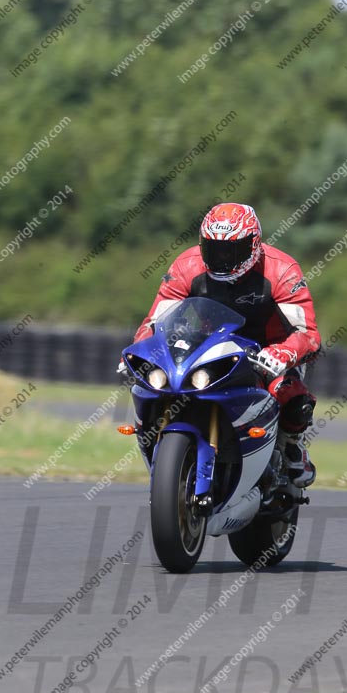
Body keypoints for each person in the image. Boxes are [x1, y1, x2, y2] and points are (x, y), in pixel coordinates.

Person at [134, 203, 321, 487]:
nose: (222, 259)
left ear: (254, 245)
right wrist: (141, 350)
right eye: (214, 249)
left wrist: (282, 353)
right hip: (209, 346)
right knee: (155, 384)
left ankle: (291, 444)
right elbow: (155, 321)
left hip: (268, 351)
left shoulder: (283, 270)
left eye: (232, 250)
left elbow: (307, 332)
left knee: (291, 397)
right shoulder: (186, 265)